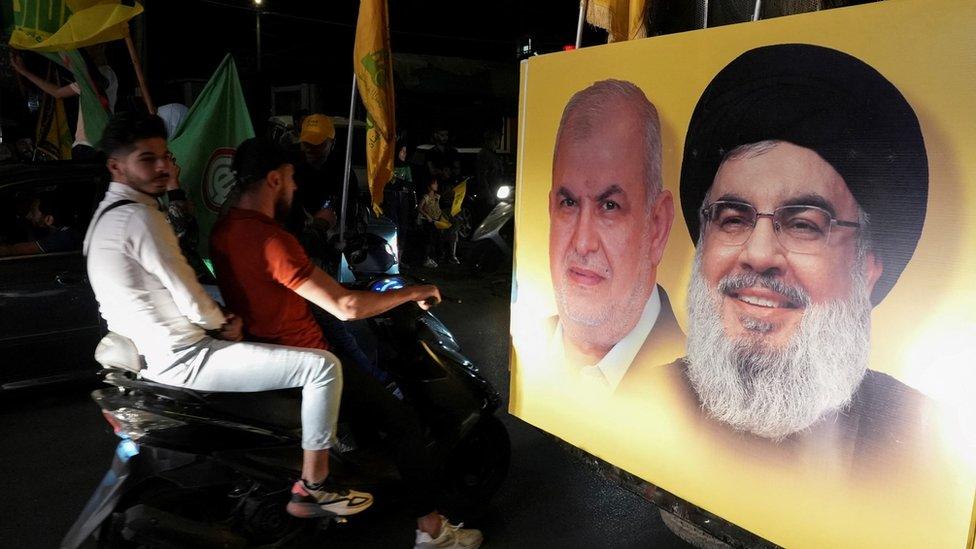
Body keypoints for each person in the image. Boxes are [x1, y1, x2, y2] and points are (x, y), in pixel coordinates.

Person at [84, 112, 373, 519]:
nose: (164, 166)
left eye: (165, 156)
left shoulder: (104, 219)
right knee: (322, 368)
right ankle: (313, 487)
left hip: (147, 352)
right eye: (148, 159)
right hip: (185, 356)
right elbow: (186, 292)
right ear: (117, 166)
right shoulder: (141, 218)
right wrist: (222, 322)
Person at [209, 137, 483, 549]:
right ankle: (432, 531)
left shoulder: (224, 229)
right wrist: (412, 292)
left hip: (262, 352)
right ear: (272, 179)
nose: (295, 187)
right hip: (306, 356)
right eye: (289, 180)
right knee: (400, 419)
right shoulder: (270, 240)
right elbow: (347, 305)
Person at [671, 44, 932, 470]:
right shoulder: (644, 399)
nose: (757, 254)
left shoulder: (922, 447)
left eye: (804, 225)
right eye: (733, 218)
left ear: (867, 269)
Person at [545, 79, 683, 394]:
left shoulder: (698, 398)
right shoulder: (529, 344)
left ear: (657, 226)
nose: (582, 243)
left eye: (610, 206)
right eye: (568, 203)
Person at [9, 50, 111, 160]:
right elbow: (56, 92)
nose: (64, 62)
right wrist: (24, 71)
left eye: (66, 59)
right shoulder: (90, 83)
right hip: (97, 146)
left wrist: (23, 71)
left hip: (88, 147)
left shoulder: (87, 84)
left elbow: (57, 93)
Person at [0, 192, 81, 257]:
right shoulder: (63, 233)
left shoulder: (63, 237)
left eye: (33, 212)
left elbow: (16, 250)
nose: (29, 216)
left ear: (48, 219)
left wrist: (6, 249)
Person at [417, 179, 444, 268]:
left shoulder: (437, 197)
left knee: (435, 239)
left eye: (436, 183)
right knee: (428, 240)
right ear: (429, 186)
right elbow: (419, 208)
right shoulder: (426, 197)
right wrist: (427, 216)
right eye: (434, 184)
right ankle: (425, 259)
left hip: (436, 221)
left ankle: (432, 257)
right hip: (428, 221)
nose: (436, 185)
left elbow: (437, 208)